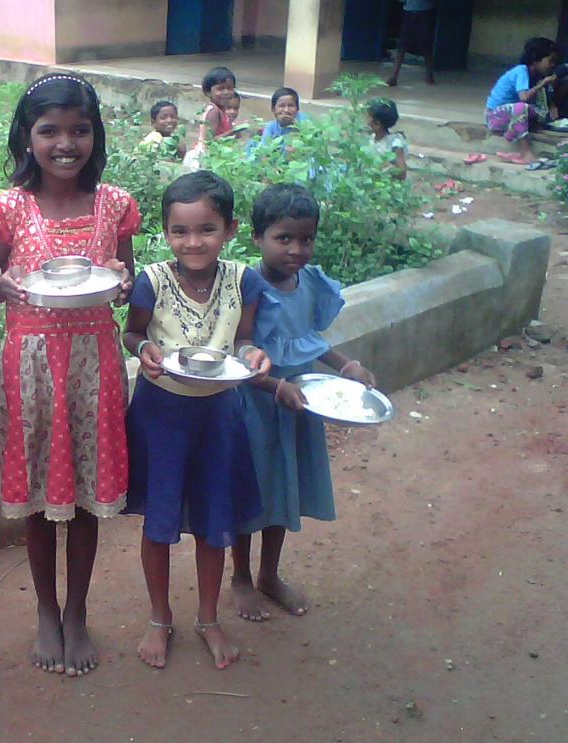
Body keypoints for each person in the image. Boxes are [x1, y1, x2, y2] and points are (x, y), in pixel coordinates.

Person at [0, 72, 138, 677]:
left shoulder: (115, 204)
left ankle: (77, 611)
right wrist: (4, 285)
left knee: (89, 498)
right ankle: (46, 610)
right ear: (27, 136)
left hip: (95, 366)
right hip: (32, 368)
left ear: (96, 135)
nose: (65, 142)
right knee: (43, 499)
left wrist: (123, 284)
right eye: (49, 130)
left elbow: (125, 276)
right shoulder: (7, 206)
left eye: (80, 129)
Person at [122, 171, 273, 670]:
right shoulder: (152, 281)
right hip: (161, 413)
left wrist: (253, 356)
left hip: (219, 415)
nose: (193, 242)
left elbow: (244, 339)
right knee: (159, 520)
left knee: (215, 521)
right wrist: (144, 349)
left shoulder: (243, 280)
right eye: (180, 231)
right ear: (166, 233)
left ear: (229, 229)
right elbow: (132, 334)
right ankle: (159, 617)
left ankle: (208, 618)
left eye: (206, 229)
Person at [231, 184, 376, 622]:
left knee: (284, 490)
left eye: (306, 239)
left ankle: (269, 575)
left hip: (299, 407)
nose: (296, 249)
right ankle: (239, 577)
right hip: (257, 406)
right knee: (251, 493)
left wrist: (344, 364)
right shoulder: (249, 288)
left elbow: (307, 342)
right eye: (284, 238)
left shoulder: (310, 283)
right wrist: (273, 385)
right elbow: (239, 351)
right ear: (257, 237)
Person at [485, 37, 559, 165]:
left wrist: (552, 106)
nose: (552, 65)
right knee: (521, 107)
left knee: (538, 112)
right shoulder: (521, 71)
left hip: (510, 115)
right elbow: (523, 97)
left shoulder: (535, 75)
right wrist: (542, 84)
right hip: (494, 116)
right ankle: (526, 153)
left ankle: (513, 131)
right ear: (536, 59)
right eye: (550, 61)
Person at [183, 67, 237, 168]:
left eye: (230, 88)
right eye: (220, 88)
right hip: (208, 160)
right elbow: (209, 141)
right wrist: (234, 131)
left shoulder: (222, 111)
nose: (226, 92)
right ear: (208, 92)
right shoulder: (214, 112)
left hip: (217, 158)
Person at [387, 0, 437, 87]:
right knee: (402, 47)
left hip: (424, 12)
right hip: (410, 12)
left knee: (426, 46)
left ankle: (429, 76)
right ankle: (394, 77)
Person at [254, 87, 310, 151]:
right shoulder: (271, 127)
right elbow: (264, 151)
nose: (286, 110)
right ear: (273, 109)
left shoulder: (305, 123)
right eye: (282, 106)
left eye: (291, 105)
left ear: (297, 109)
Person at [368, 97, 408, 180]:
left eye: (368, 118)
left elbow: (402, 173)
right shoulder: (372, 138)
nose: (366, 121)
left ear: (377, 124)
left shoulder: (395, 143)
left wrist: (387, 168)